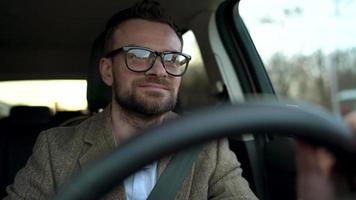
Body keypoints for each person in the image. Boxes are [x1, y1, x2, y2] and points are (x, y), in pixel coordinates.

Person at [4, 1, 257, 199]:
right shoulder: (55, 148)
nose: (159, 70)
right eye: (138, 55)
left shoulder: (207, 147)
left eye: (171, 59)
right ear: (107, 71)